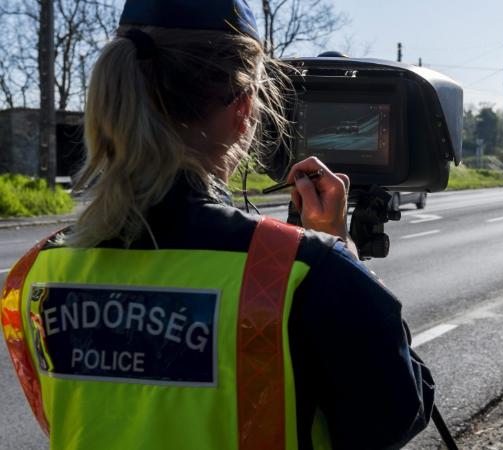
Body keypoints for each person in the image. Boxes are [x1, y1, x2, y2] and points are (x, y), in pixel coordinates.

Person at [0, 1, 435, 449]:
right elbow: (395, 416)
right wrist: (339, 249)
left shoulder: (33, 274)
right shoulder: (301, 272)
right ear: (244, 109)